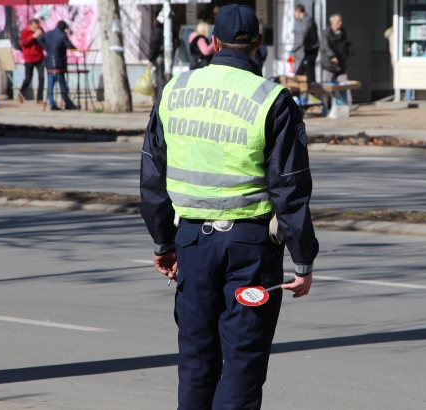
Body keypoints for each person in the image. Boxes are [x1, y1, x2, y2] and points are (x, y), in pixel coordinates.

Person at [140, 5, 318, 409]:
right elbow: (291, 189)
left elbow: (152, 178)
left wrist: (162, 243)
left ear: (214, 43)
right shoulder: (272, 99)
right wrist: (303, 260)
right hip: (251, 250)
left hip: (192, 244)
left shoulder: (174, 91)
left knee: (196, 361)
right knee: (242, 362)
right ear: (258, 45)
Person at [37, 20, 78, 111]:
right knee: (61, 81)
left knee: (51, 82)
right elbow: (69, 46)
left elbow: (39, 39)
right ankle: (67, 102)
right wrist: (75, 49)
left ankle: (52, 102)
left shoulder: (48, 33)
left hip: (49, 59)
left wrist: (46, 48)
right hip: (58, 61)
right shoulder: (62, 35)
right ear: (64, 28)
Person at [321, 13, 353, 105]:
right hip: (329, 64)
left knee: (344, 84)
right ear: (332, 22)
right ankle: (326, 105)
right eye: (338, 21)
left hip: (342, 64)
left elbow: (344, 45)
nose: (340, 23)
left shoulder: (343, 32)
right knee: (328, 86)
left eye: (341, 21)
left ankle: (348, 104)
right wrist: (332, 56)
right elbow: (325, 46)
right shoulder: (326, 33)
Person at [18, 19, 45, 104]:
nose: (36, 28)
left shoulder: (40, 30)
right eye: (34, 26)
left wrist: (41, 34)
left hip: (39, 58)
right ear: (30, 25)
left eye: (37, 26)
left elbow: (44, 41)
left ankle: (39, 98)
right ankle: (20, 94)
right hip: (29, 58)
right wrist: (33, 36)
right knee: (28, 78)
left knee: (41, 77)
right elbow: (23, 43)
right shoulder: (25, 32)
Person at [291, 4, 319, 83]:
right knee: (302, 70)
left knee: (307, 70)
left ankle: (312, 91)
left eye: (294, 12)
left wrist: (293, 49)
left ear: (298, 11)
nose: (294, 15)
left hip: (311, 50)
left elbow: (302, 37)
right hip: (310, 50)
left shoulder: (306, 21)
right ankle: (306, 91)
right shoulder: (307, 20)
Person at [148, 11, 166, 91]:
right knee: (163, 77)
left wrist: (151, 58)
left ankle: (158, 96)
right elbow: (177, 41)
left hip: (158, 57)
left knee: (158, 78)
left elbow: (154, 45)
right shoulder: (167, 28)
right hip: (167, 56)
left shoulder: (157, 30)